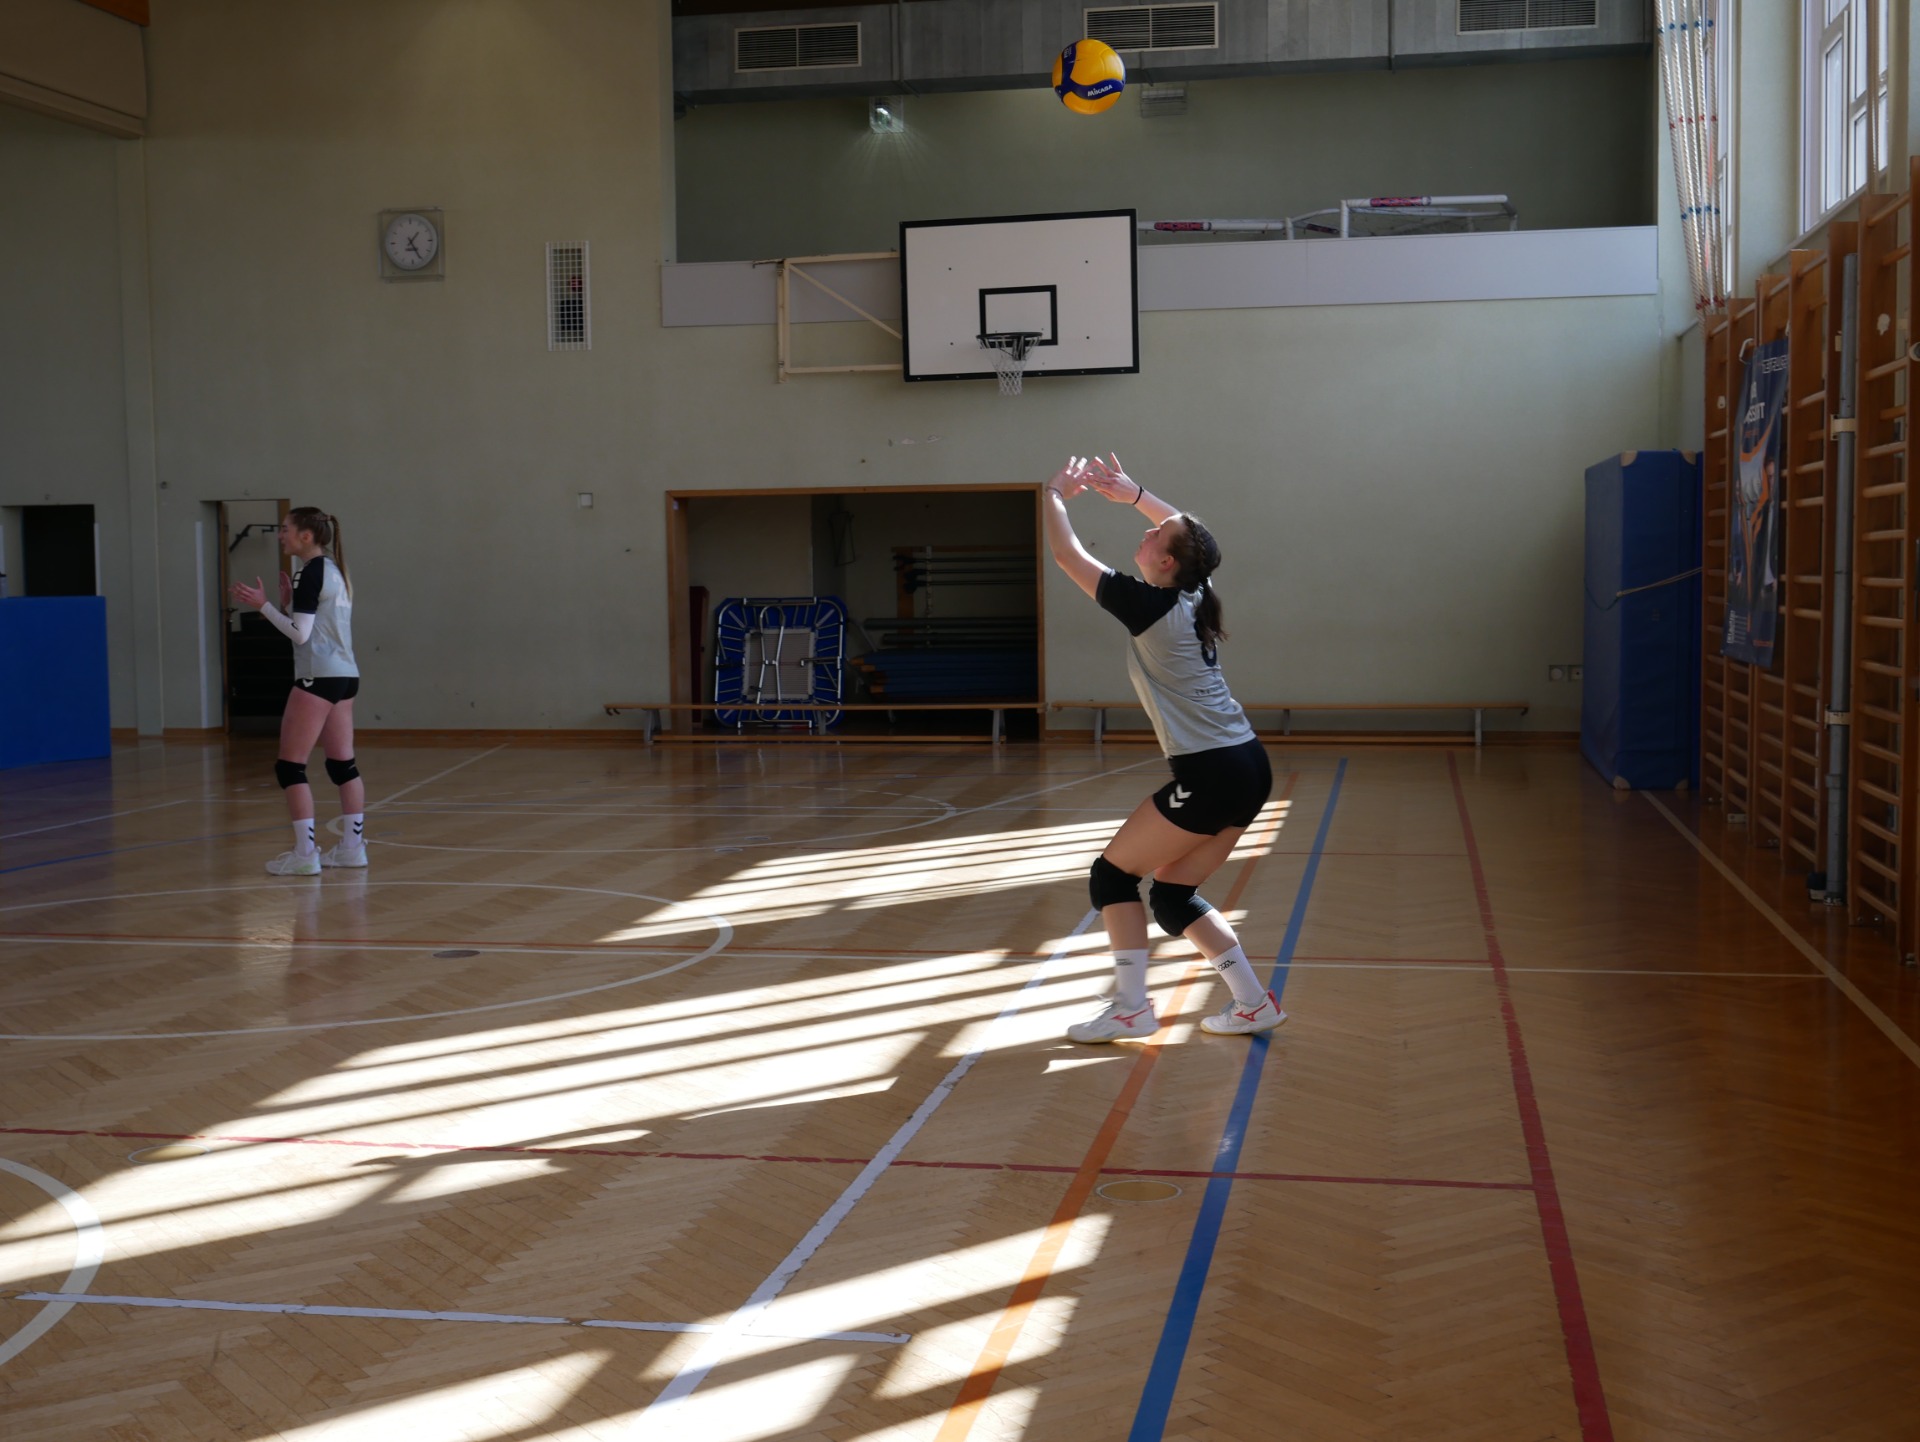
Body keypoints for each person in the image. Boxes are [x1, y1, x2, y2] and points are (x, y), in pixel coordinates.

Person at [1042, 454, 1284, 1041]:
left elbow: (1067, 555)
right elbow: (1188, 532)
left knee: (1112, 877)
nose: (1148, 532)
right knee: (1174, 896)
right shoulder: (1196, 588)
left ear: (1167, 561)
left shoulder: (1150, 605)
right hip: (1249, 766)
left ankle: (1131, 1007)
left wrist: (1053, 495)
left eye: (1156, 535)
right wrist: (1134, 495)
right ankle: (1253, 1003)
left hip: (1213, 772)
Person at [229, 507, 366, 877]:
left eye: (286, 529)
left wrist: (264, 606)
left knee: (290, 767)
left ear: (306, 536)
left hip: (317, 677)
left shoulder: (310, 572)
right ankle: (352, 849)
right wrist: (290, 603)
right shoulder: (335, 570)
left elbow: (301, 635)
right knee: (343, 765)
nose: (280, 535)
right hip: (345, 675)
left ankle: (305, 854)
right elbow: (319, 626)